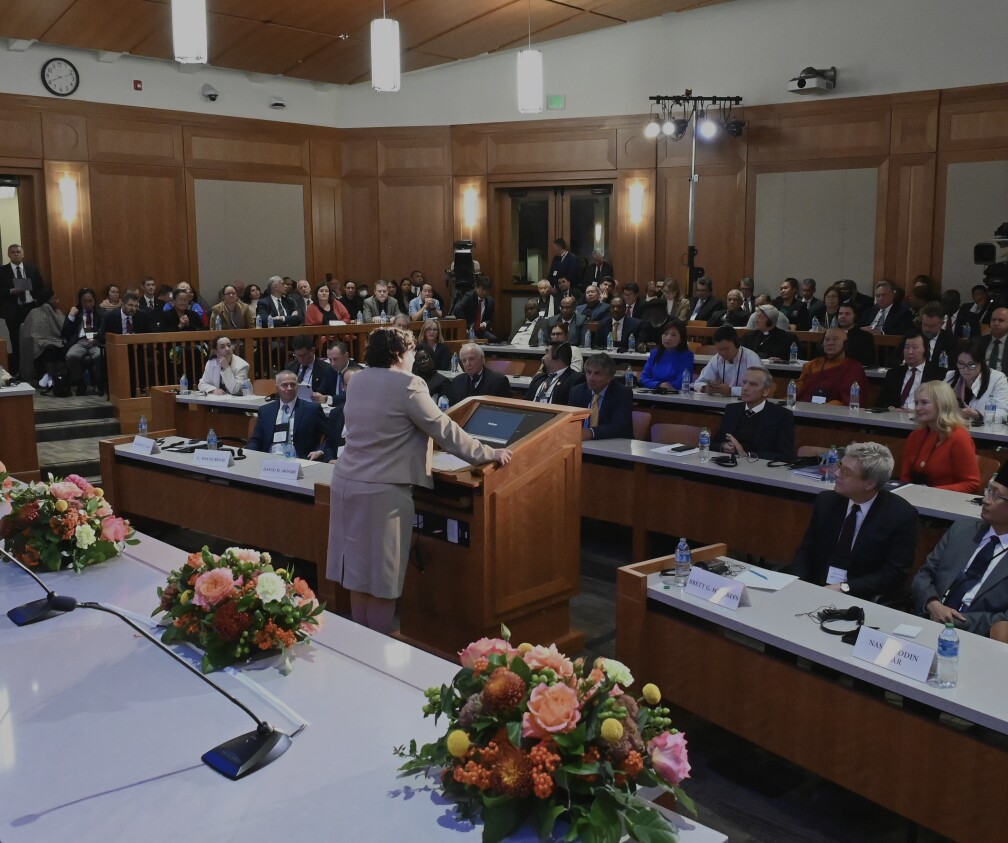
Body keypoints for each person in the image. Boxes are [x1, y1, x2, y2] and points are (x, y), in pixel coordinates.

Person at [326, 326, 511, 633]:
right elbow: (445, 430)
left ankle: (361, 647)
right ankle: (379, 649)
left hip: (347, 482)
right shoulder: (409, 384)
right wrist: (487, 454)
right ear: (399, 354)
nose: (414, 357)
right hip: (382, 492)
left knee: (359, 575)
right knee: (383, 578)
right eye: (411, 351)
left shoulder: (357, 380)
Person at [791, 442, 917, 600]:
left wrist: (845, 588)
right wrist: (798, 583)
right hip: (818, 587)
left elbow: (893, 574)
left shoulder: (900, 515)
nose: (836, 473)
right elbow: (807, 550)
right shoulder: (827, 501)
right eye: (839, 466)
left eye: (846, 471)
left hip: (862, 595)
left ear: (869, 483)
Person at [911, 459, 1008, 636]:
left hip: (978, 638)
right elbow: (924, 575)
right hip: (926, 620)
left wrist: (954, 620)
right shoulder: (962, 530)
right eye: (988, 490)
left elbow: (1005, 618)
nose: (985, 499)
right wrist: (932, 604)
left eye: (995, 495)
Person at [900, 379, 981, 493]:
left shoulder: (959, 437)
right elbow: (905, 478)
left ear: (942, 404)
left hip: (945, 503)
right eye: (916, 402)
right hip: (915, 500)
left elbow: (971, 484)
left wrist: (929, 492)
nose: (917, 408)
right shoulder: (915, 436)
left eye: (924, 402)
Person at [711, 367, 795, 462]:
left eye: (753, 384)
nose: (745, 388)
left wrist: (747, 455)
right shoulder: (732, 409)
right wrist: (724, 447)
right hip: (730, 465)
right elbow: (714, 444)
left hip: (761, 470)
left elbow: (786, 456)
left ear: (765, 391)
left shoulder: (781, 415)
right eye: (744, 383)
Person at [247, 370, 325, 458]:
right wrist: (250, 454)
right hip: (270, 459)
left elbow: (330, 436)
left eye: (293, 384)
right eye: (284, 385)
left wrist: (320, 451)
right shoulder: (266, 411)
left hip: (299, 460)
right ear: (276, 388)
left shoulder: (311, 409)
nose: (289, 388)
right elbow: (256, 439)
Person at [0, 243, 47, 372]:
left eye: (18, 251)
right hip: (13, 310)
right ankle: (18, 372)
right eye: (13, 252)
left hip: (30, 308)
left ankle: (37, 371)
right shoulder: (2, 271)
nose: (16, 254)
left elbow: (41, 287)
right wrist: (10, 291)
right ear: (8, 255)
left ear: (23, 254)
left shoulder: (31, 269)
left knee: (34, 339)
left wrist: (38, 301)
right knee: (16, 341)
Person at [569, 353, 633, 440]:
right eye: (588, 372)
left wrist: (591, 432)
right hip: (581, 444)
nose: (591, 378)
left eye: (597, 373)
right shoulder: (577, 391)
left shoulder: (622, 393)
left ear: (610, 377)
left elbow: (619, 427)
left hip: (612, 446)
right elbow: (570, 421)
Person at [795, 327, 866, 405]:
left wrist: (824, 408)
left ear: (846, 344)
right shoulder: (812, 365)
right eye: (827, 339)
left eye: (835, 339)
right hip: (803, 409)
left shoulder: (853, 368)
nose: (830, 343)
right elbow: (797, 389)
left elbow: (849, 401)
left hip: (833, 414)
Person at [873, 331, 942, 410]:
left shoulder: (937, 374)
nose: (910, 352)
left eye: (914, 347)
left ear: (925, 350)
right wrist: (891, 409)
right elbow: (880, 403)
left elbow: (940, 406)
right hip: (895, 418)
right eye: (907, 347)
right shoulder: (893, 373)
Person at [944, 338, 1008, 424]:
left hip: (984, 435)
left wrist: (976, 415)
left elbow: (1003, 413)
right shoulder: (950, 376)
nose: (965, 369)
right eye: (961, 364)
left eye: (972, 364)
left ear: (981, 363)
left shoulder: (997, 378)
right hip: (954, 430)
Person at [694, 325, 762, 397]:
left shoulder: (751, 358)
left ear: (736, 343)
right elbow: (699, 382)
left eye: (726, 349)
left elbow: (758, 388)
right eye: (719, 349)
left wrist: (731, 391)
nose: (723, 353)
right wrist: (705, 388)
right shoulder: (717, 358)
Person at [60, 288, 103, 395]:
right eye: (85, 301)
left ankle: (99, 384)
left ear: (94, 300)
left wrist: (97, 338)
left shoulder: (100, 313)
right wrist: (71, 316)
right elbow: (65, 333)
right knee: (70, 357)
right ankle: (80, 382)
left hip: (96, 341)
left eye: (90, 301)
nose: (88, 303)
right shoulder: (76, 312)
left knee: (100, 356)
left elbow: (105, 330)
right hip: (80, 341)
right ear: (80, 301)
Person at [18, 288, 65, 386]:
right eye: (54, 299)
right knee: (50, 349)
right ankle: (50, 380)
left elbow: (64, 329)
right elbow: (32, 334)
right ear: (46, 301)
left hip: (58, 342)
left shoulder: (57, 312)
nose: (57, 301)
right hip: (41, 347)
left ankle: (59, 380)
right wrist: (45, 341)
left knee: (61, 348)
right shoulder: (34, 313)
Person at [445, 342, 512, 405]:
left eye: (471, 359)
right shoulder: (457, 381)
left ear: (482, 359)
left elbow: (507, 410)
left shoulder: (499, 381)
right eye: (464, 361)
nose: (468, 364)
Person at [639, 319, 694, 391]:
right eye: (665, 333)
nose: (668, 338)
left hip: (674, 396)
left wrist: (667, 386)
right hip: (653, 392)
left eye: (673, 335)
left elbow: (682, 381)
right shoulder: (654, 353)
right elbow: (643, 378)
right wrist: (658, 385)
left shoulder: (687, 356)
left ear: (681, 339)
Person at [286, 334, 332, 402]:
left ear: (313, 350)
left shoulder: (325, 369)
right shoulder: (291, 367)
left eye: (304, 355)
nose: (301, 359)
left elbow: (325, 391)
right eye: (298, 355)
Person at [918, 303, 956, 373]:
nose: (927, 329)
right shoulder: (911, 336)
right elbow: (895, 358)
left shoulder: (950, 340)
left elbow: (952, 366)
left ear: (941, 324)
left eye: (931, 326)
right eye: (925, 324)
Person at [835, 302, 875, 367]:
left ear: (855, 316)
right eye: (840, 314)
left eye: (847, 314)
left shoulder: (865, 337)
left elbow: (868, 362)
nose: (842, 316)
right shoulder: (830, 334)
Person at [977, 307, 1008, 373]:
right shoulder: (977, 342)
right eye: (993, 320)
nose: (996, 323)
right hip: (981, 380)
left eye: (1001, 320)